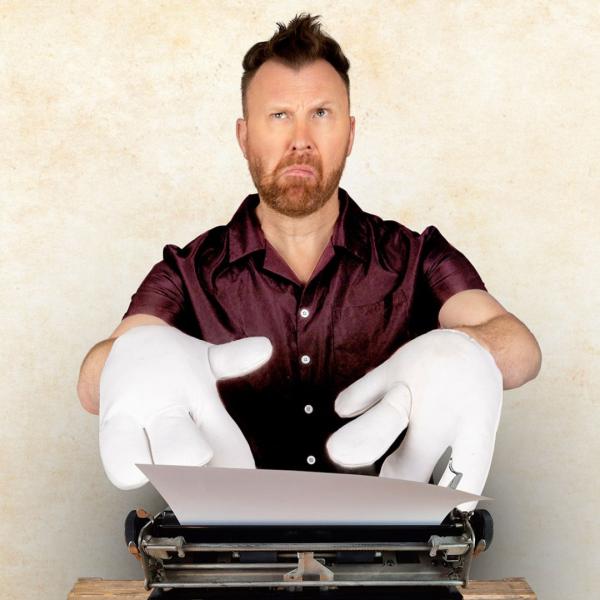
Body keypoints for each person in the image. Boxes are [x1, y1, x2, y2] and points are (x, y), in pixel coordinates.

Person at [77, 14, 541, 493]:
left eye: (321, 113)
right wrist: (136, 359)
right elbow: (93, 383)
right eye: (279, 115)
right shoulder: (186, 270)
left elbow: (520, 349)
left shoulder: (417, 255)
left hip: (399, 553)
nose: (300, 140)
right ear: (243, 136)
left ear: (350, 132)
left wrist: (462, 354)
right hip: (222, 554)